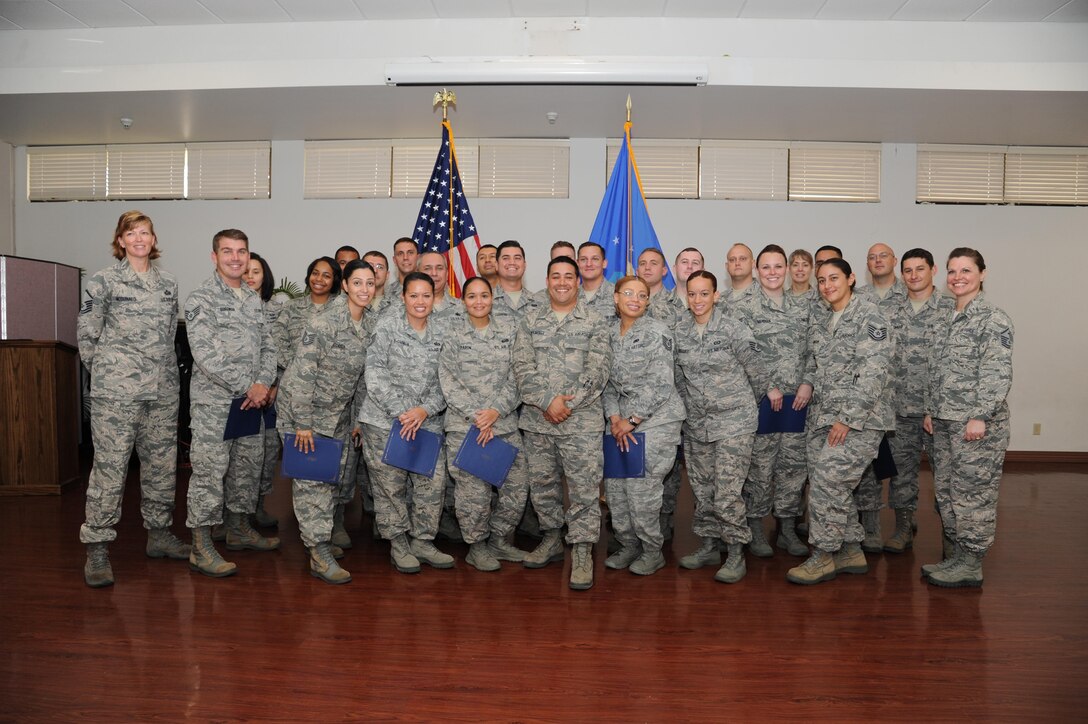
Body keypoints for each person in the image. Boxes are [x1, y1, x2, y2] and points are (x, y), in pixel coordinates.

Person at [77, 210, 188, 587]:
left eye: (145, 232)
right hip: (117, 396)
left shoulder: (169, 283)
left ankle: (158, 535)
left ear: (153, 240)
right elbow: (87, 336)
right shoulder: (103, 281)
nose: (139, 238)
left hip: (162, 391)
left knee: (161, 467)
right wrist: (109, 377)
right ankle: (97, 549)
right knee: (110, 471)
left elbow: (170, 332)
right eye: (131, 233)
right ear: (120, 241)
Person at [786, 258, 895, 585]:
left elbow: (873, 374)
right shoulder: (824, 318)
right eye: (821, 280)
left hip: (860, 420)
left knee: (828, 481)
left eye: (834, 278)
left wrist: (847, 419)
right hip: (823, 416)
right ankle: (850, 549)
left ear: (850, 279)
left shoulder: (870, 316)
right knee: (827, 481)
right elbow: (818, 367)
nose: (827, 285)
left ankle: (822, 555)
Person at [183, 229, 279, 578]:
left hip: (252, 404)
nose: (236, 258)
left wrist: (263, 383)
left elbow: (269, 347)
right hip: (216, 405)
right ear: (214, 257)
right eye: (228, 251)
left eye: (241, 251)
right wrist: (248, 387)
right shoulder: (201, 299)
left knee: (246, 469)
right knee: (209, 474)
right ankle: (201, 545)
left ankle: (238, 528)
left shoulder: (253, 299)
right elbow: (206, 355)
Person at [512, 256, 611, 590]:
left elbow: (599, 370)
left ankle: (582, 550)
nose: (563, 282)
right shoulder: (529, 318)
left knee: (584, 489)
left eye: (569, 276)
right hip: (539, 421)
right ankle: (552, 538)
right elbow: (521, 366)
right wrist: (546, 401)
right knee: (543, 487)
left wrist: (566, 404)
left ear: (577, 280)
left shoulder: (596, 319)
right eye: (556, 276)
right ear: (548, 279)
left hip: (580, 422)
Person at [278, 260, 376, 584]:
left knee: (330, 481)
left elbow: (363, 378)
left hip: (338, 414)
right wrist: (303, 423)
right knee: (312, 485)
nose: (364, 289)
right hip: (303, 413)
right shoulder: (324, 322)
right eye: (357, 282)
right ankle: (318, 553)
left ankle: (318, 542)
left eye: (370, 283)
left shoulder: (369, 323)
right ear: (345, 285)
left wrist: (359, 418)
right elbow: (303, 374)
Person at [922, 248, 1013, 588]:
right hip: (945, 422)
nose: (957, 277)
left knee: (973, 494)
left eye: (966, 270)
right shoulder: (946, 317)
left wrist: (980, 415)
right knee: (947, 491)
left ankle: (971, 562)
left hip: (976, 425)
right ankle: (958, 557)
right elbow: (936, 371)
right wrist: (931, 409)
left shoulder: (993, 319)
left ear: (982, 274)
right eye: (952, 271)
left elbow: (996, 373)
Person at [358, 271, 453, 573]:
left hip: (426, 422)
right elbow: (374, 374)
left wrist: (424, 410)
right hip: (385, 421)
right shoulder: (386, 327)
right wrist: (403, 412)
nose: (420, 301)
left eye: (426, 295)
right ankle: (398, 544)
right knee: (391, 486)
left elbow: (449, 380)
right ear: (403, 297)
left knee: (432, 483)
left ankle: (423, 541)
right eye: (414, 295)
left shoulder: (443, 331)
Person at [674, 270, 763, 584]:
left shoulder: (733, 329)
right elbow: (679, 380)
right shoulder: (680, 331)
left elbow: (757, 374)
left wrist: (736, 406)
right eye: (693, 294)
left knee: (727, 492)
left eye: (704, 293)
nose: (698, 300)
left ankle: (736, 552)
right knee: (703, 490)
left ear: (716, 295)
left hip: (734, 422)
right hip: (697, 425)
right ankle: (709, 545)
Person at [438, 276, 530, 571]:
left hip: (503, 424)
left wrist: (496, 411)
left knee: (517, 487)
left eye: (484, 296)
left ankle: (499, 541)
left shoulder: (511, 330)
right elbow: (447, 380)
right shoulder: (452, 334)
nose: (479, 302)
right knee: (473, 492)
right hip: (466, 426)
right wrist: (478, 415)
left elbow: (520, 375)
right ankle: (476, 546)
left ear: (493, 298)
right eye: (472, 296)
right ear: (463, 301)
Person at [602, 276, 685, 576]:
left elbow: (662, 383)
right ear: (615, 297)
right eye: (628, 293)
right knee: (615, 488)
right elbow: (606, 383)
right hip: (619, 423)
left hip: (656, 419)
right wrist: (614, 418)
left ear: (648, 301)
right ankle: (628, 545)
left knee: (642, 489)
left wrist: (633, 420)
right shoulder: (608, 333)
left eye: (642, 295)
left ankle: (652, 551)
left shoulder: (657, 331)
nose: (635, 299)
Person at [732, 245, 811, 559]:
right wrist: (768, 386)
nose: (773, 272)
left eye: (779, 266)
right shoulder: (742, 307)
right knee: (760, 468)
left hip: (797, 403)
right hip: (761, 402)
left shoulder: (805, 306)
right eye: (766, 267)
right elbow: (744, 354)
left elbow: (815, 350)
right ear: (756, 269)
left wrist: (808, 383)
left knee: (793, 468)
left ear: (788, 269)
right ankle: (755, 528)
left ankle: (787, 528)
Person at [881, 248, 955, 553]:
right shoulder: (889, 310)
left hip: (938, 410)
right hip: (898, 408)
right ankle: (903, 526)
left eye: (920, 269)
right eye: (908, 270)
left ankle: (950, 537)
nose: (913, 275)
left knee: (946, 476)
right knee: (901, 473)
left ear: (933, 270)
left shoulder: (950, 309)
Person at [852, 243, 908, 550]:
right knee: (866, 467)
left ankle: (903, 526)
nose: (877, 261)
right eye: (872, 257)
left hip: (902, 396)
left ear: (893, 261)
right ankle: (869, 527)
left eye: (883, 255)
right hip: (867, 400)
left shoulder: (910, 294)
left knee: (900, 468)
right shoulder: (857, 298)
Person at [236, 251, 281, 529]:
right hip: (241, 394)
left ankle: (259, 506)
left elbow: (281, 351)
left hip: (271, 396)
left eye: (256, 271)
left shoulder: (278, 308)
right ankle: (237, 513)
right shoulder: (234, 306)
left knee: (267, 452)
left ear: (265, 276)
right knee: (240, 457)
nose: (250, 276)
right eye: (246, 271)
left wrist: (273, 385)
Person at [492, 239, 544, 325]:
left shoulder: (539, 302)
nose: (512, 262)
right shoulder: (484, 302)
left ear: (524, 265)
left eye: (517, 258)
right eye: (506, 258)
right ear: (496, 265)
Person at [637, 248, 683, 327]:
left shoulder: (676, 303)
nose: (647, 267)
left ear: (664, 271)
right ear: (637, 272)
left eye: (653, 263)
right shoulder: (628, 302)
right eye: (642, 263)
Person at [576, 241, 614, 318]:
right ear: (577, 263)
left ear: (604, 263)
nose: (589, 264)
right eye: (583, 259)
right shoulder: (570, 296)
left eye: (595, 259)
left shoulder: (618, 295)